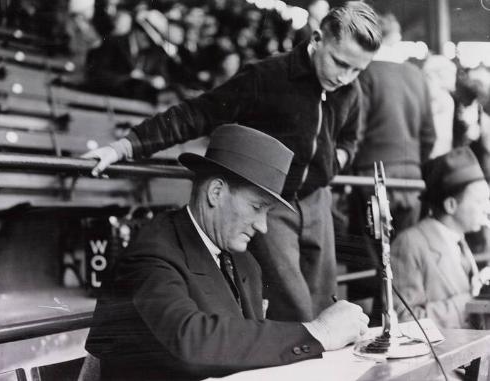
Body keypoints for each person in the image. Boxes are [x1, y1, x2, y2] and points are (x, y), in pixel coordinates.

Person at [82, 1, 382, 322]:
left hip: (317, 202)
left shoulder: (351, 90)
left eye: (357, 70)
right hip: (270, 204)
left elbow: (351, 137)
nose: (345, 77)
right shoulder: (267, 76)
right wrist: (125, 146)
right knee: (293, 309)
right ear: (317, 39)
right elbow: (198, 114)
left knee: (325, 302)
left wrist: (335, 162)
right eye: (339, 63)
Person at [85, 124, 370, 381]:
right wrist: (319, 332)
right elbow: (191, 343)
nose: (263, 227)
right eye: (257, 207)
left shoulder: (244, 260)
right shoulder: (150, 252)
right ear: (216, 193)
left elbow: (245, 350)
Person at [346, 13, 435, 322]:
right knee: (403, 256)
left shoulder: (365, 73)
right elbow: (429, 135)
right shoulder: (417, 75)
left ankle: (373, 327)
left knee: (368, 255)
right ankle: (405, 322)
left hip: (370, 175)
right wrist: (414, 165)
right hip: (412, 178)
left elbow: (354, 130)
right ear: (396, 38)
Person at [391, 147, 490, 329]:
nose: (487, 209)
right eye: (480, 201)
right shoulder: (409, 244)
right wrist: (471, 302)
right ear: (451, 205)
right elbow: (403, 320)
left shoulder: (457, 238)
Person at [423, 55, 457, 158]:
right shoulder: (446, 97)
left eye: (428, 76)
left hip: (435, 151)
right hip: (441, 149)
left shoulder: (441, 97)